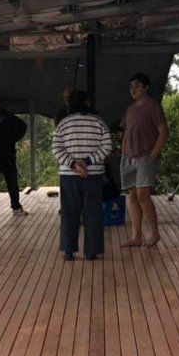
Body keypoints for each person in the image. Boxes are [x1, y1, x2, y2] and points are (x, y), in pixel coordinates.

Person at [51, 90, 112, 261]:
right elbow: (107, 146)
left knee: (69, 212)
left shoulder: (63, 124)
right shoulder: (99, 123)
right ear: (86, 103)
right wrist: (87, 161)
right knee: (93, 212)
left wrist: (73, 164)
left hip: (69, 175)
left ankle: (68, 251)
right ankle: (92, 251)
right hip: (93, 175)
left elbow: (56, 149)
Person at [119, 72, 168, 247]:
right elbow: (126, 132)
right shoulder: (130, 109)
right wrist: (123, 152)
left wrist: (152, 156)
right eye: (131, 86)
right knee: (132, 196)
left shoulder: (153, 106)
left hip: (145, 158)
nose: (133, 89)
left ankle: (155, 234)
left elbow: (163, 132)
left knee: (143, 195)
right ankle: (136, 236)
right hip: (128, 157)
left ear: (146, 87)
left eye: (137, 86)